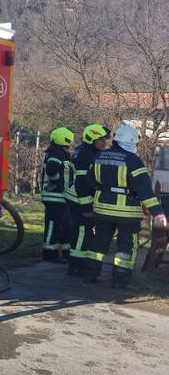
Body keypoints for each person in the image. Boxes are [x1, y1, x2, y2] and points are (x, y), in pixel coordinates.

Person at [86, 123, 168, 289]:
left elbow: (89, 181)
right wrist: (158, 213)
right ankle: (120, 281)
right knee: (125, 247)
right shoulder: (133, 160)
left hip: (102, 209)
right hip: (127, 213)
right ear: (132, 142)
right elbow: (145, 191)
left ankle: (90, 275)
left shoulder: (99, 156)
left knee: (99, 243)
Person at [65, 124, 110, 280]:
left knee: (82, 232)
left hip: (76, 198)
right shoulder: (86, 154)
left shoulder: (85, 151)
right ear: (92, 138)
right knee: (82, 232)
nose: (104, 143)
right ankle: (76, 266)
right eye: (101, 139)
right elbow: (82, 183)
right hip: (80, 200)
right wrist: (86, 207)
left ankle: (77, 263)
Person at [41, 126, 74, 263]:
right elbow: (51, 169)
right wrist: (58, 183)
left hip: (60, 197)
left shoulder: (58, 152)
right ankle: (49, 254)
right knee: (53, 225)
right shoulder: (56, 153)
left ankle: (66, 252)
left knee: (65, 225)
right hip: (54, 196)